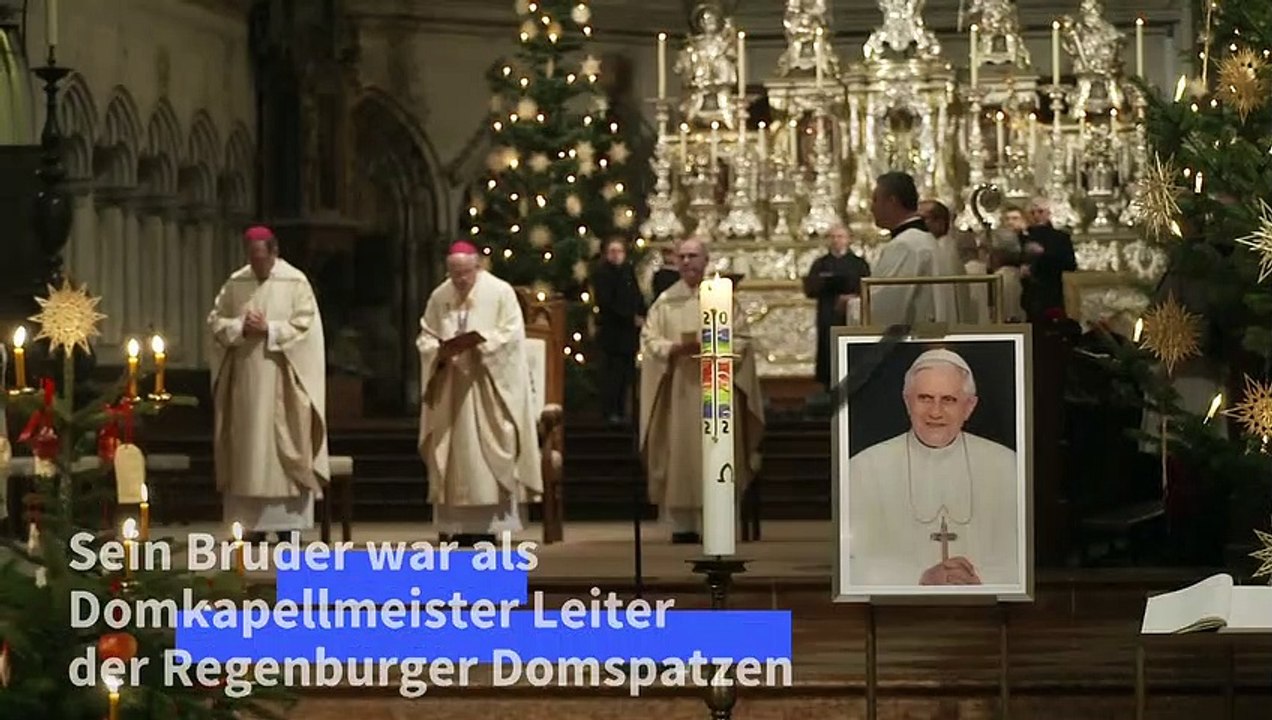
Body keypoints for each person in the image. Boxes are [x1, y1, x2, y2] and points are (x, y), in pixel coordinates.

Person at [847, 348, 1020, 588]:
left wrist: (977, 580)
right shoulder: (864, 468)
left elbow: (1021, 556)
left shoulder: (1006, 465)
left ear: (969, 406)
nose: (935, 412)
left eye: (948, 400)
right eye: (925, 398)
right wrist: (921, 578)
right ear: (907, 402)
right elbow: (853, 561)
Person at [638, 238, 766, 544]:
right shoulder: (666, 301)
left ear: (706, 260)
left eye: (693, 256)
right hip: (680, 390)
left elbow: (743, 339)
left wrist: (715, 347)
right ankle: (683, 525)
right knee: (682, 451)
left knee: (718, 452)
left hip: (718, 388)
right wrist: (675, 348)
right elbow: (649, 340)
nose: (686, 262)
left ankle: (719, 520)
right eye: (681, 256)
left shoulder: (723, 300)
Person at [207, 225, 329, 544]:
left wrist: (270, 330)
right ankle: (251, 527)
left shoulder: (295, 282)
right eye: (252, 258)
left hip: (283, 383)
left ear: (274, 252)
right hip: (246, 383)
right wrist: (239, 327)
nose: (257, 264)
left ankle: (287, 526)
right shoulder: (236, 283)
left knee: (282, 447)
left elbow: (307, 329)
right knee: (247, 449)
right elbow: (216, 322)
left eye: (262, 258)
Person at [416, 241, 543, 546]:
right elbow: (426, 336)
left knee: (488, 453)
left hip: (488, 389)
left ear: (478, 266)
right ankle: (457, 527)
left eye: (465, 274)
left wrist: (481, 345)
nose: (459, 281)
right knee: (454, 455)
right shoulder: (439, 295)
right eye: (454, 273)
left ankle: (490, 526)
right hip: (452, 391)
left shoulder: (500, 292)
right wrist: (439, 352)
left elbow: (512, 336)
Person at [802, 224, 870, 391]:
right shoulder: (820, 264)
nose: (836, 240)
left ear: (848, 239)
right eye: (833, 237)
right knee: (827, 347)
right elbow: (810, 288)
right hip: (828, 311)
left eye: (840, 236)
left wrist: (853, 297)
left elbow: (867, 288)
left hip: (853, 312)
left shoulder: (858, 264)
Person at [867, 172, 940, 326]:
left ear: (892, 202)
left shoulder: (905, 245)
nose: (871, 208)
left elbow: (885, 308)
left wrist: (850, 305)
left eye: (875, 200)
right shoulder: (924, 239)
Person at [591, 237, 646, 423]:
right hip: (612, 333)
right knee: (612, 375)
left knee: (626, 375)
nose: (616, 256)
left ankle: (623, 411)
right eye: (612, 252)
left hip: (628, 334)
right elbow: (606, 303)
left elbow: (636, 295)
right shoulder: (602, 274)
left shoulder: (628, 271)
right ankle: (611, 411)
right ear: (607, 254)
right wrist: (630, 317)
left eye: (619, 252)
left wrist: (642, 313)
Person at [1020, 197, 1078, 322]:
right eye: (1032, 212)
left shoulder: (1060, 237)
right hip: (1026, 292)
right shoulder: (1022, 237)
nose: (1036, 216)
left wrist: (1043, 254)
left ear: (1048, 213)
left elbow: (1070, 264)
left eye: (1040, 211)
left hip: (1051, 289)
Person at [917, 199, 973, 324]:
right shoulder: (934, 247)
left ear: (940, 222)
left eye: (923, 219)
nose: (917, 225)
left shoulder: (943, 251)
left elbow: (943, 300)